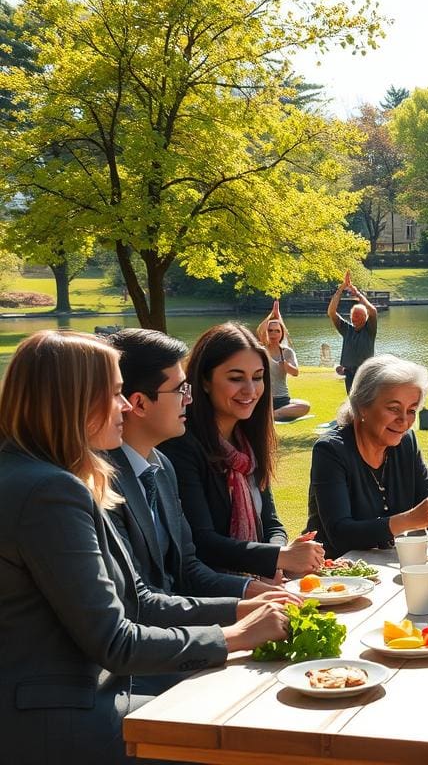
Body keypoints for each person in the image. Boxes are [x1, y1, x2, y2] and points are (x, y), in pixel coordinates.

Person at [0, 331, 290, 765]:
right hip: (60, 721)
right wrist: (233, 636)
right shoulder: (48, 491)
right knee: (250, 739)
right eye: (115, 393)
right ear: (75, 400)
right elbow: (115, 640)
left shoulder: (54, 477)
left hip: (86, 700)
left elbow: (141, 600)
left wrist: (240, 608)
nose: (124, 405)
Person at [105, 328, 283, 600]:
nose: (188, 399)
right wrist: (248, 601)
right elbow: (138, 602)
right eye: (179, 390)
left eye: (258, 377)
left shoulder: (159, 466)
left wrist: (260, 585)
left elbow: (187, 567)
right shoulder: (102, 480)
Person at [159, 323, 325, 581]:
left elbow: (271, 522)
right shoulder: (181, 446)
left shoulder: (247, 443)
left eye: (258, 377)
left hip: (259, 584)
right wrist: (278, 556)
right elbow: (203, 542)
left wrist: (280, 554)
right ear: (204, 381)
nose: (250, 390)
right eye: (236, 378)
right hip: (213, 595)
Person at [305, 354, 428, 560]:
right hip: (336, 574)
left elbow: (427, 494)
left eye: (411, 410)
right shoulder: (331, 450)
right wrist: (409, 520)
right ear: (362, 406)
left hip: (387, 566)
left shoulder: (405, 442)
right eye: (393, 408)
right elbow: (339, 534)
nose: (404, 421)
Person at [257, 300, 310, 421]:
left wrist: (286, 365)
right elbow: (260, 330)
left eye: (277, 331)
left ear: (282, 334)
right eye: (270, 330)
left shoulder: (287, 352)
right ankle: (273, 414)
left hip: (283, 399)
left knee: (305, 406)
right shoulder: (261, 350)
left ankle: (272, 415)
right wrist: (274, 314)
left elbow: (295, 372)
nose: (274, 333)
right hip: (265, 398)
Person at [328, 270, 378, 393]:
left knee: (364, 403)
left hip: (365, 374)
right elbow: (331, 312)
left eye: (359, 316)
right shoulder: (346, 329)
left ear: (365, 317)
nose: (355, 319)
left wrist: (357, 294)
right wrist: (341, 289)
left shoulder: (369, 330)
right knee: (351, 402)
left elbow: (373, 311)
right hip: (349, 373)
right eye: (353, 316)